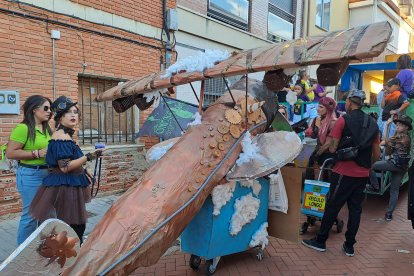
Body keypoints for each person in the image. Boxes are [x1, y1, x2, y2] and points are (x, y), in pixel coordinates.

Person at [302, 89, 380, 257]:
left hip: (343, 172)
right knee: (355, 210)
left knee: (332, 206)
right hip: (362, 174)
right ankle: (349, 246)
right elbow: (377, 154)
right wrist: (366, 167)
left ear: (350, 102)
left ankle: (320, 241)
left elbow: (332, 147)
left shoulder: (343, 120)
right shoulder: (373, 123)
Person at [30, 96, 103, 243]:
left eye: (75, 112)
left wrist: (85, 169)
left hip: (71, 183)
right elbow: (64, 167)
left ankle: (72, 253)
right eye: (67, 112)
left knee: (75, 226)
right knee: (73, 227)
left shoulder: (66, 136)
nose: (73, 115)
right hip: (65, 186)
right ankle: (70, 257)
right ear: (59, 117)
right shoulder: (60, 137)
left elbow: (72, 160)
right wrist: (89, 156)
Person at [5, 95, 52, 245]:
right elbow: (10, 153)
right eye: (46, 108)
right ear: (34, 109)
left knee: (48, 214)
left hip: (48, 174)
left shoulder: (47, 128)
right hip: (30, 175)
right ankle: (23, 253)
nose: (49, 111)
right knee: (31, 216)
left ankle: (43, 249)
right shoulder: (23, 128)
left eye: (50, 108)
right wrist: (37, 153)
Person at [368, 115, 411, 221]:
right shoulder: (407, 137)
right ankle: (389, 214)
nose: (397, 126)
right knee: (394, 190)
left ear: (406, 127)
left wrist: (387, 129)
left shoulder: (398, 137)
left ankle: (375, 186)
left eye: (400, 125)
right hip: (403, 167)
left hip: (393, 164)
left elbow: (386, 148)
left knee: (369, 166)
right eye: (397, 124)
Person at [305, 97, 337, 180]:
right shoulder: (317, 119)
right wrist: (310, 130)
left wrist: (317, 155)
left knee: (324, 177)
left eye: (321, 107)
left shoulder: (333, 122)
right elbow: (314, 136)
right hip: (318, 150)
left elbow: (328, 143)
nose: (318, 109)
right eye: (318, 106)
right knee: (312, 176)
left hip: (327, 153)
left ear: (328, 109)